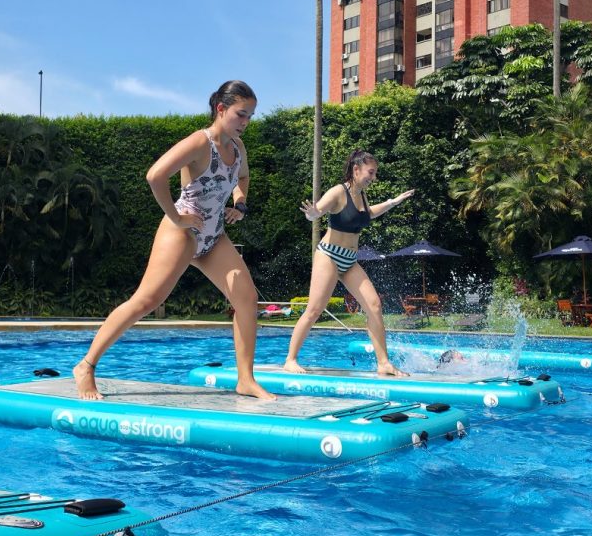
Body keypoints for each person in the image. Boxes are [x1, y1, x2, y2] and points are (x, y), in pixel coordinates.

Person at [74, 80, 275, 401]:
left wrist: (239, 203)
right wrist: (178, 217)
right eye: (241, 114)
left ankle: (245, 379)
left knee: (246, 298)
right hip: (182, 232)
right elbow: (155, 175)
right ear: (221, 109)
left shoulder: (238, 147)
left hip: (213, 235)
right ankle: (86, 366)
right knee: (146, 301)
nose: (246, 122)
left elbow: (243, 177)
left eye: (250, 115)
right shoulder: (199, 143)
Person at [284, 149, 413, 376]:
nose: (373, 178)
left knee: (374, 305)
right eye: (371, 173)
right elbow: (318, 210)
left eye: (375, 174)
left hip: (350, 260)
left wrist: (393, 201)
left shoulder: (361, 194)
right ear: (356, 170)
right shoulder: (338, 192)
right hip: (329, 255)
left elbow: (368, 214)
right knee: (314, 310)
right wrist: (313, 214)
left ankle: (383, 363)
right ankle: (291, 359)